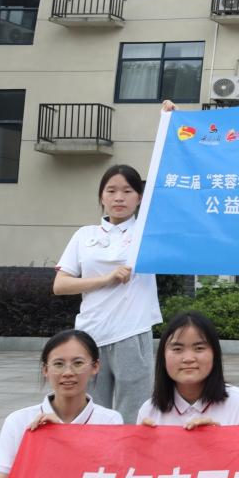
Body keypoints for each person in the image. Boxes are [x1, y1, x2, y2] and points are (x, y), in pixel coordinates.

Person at [51, 163, 163, 426]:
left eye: (127, 191)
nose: (119, 198)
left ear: (139, 197)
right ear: (101, 196)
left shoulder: (148, 234)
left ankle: (128, 454)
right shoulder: (84, 235)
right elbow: (60, 285)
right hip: (90, 334)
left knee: (133, 413)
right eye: (111, 191)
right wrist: (106, 279)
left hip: (132, 333)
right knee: (90, 412)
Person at [0, 330, 123, 478]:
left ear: (95, 367)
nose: (68, 372)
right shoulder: (19, 421)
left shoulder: (110, 421)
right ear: (45, 369)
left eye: (78, 363)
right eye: (58, 364)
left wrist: (63, 438)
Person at [138, 312, 239, 427]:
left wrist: (219, 436)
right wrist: (143, 438)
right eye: (177, 349)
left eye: (199, 348)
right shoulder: (149, 411)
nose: (188, 359)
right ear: (163, 357)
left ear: (214, 354)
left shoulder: (237, 403)